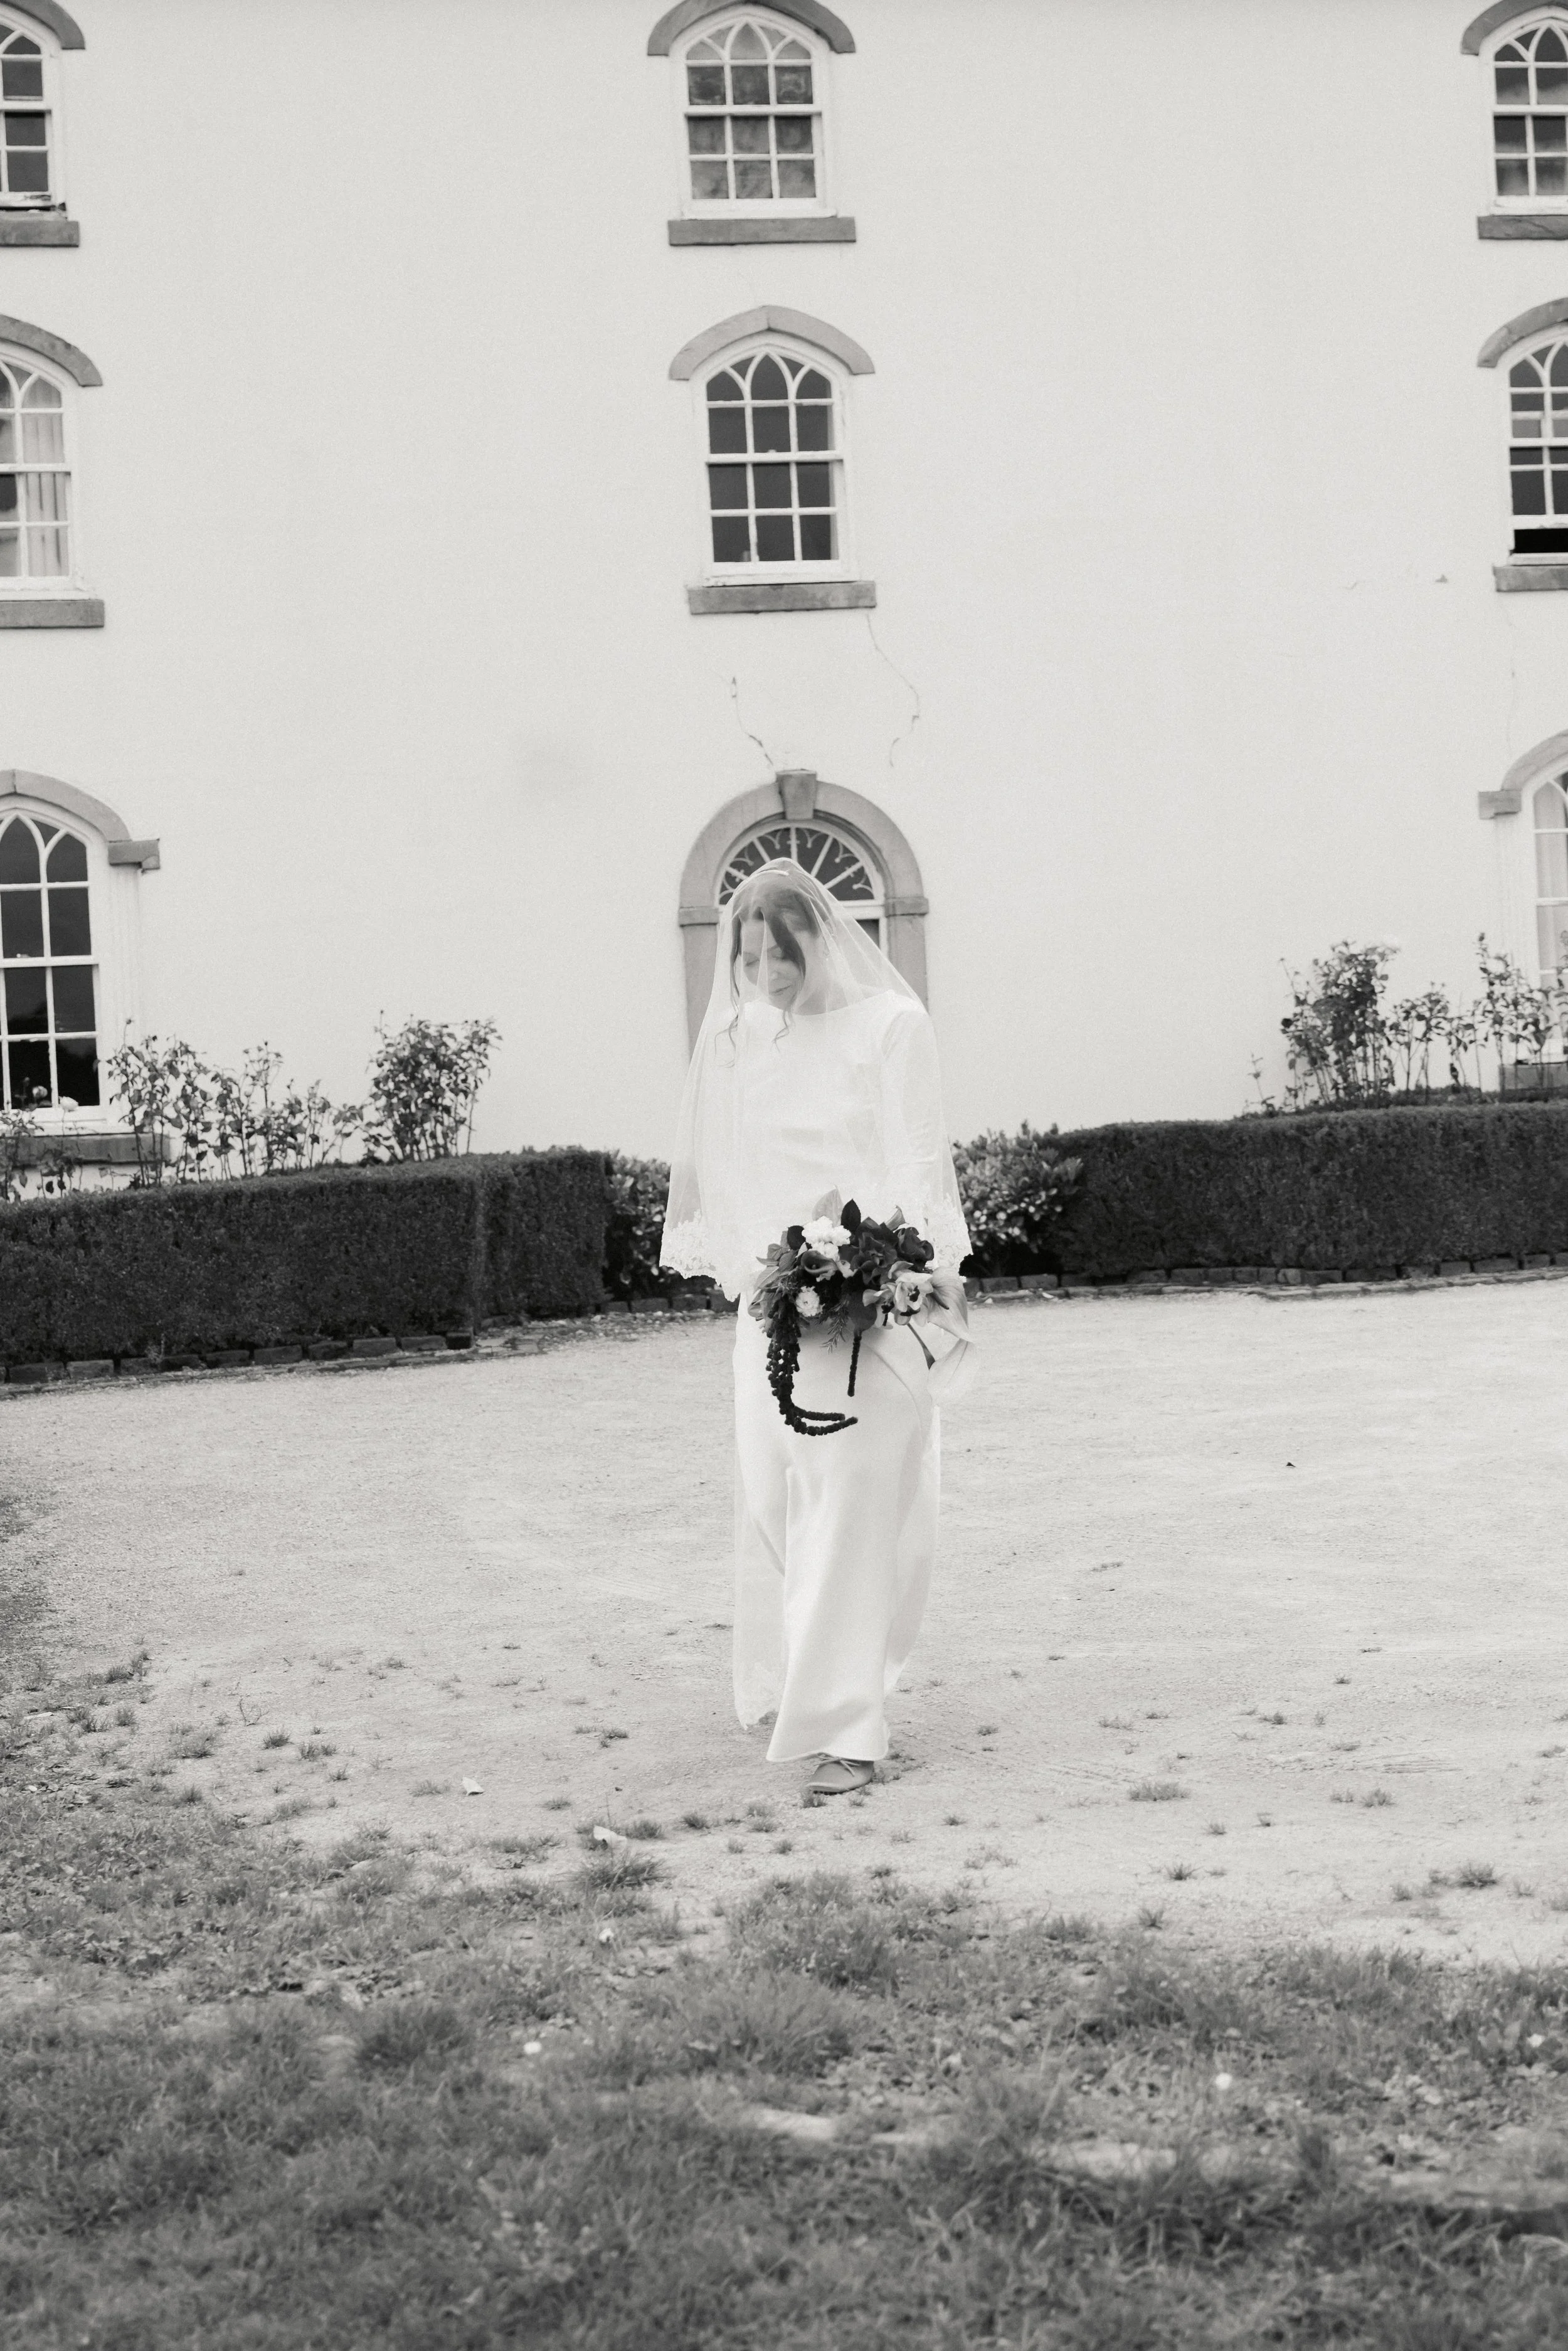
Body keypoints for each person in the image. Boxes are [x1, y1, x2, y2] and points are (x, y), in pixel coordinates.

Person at [661, 858, 973, 1796]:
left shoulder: (893, 1026)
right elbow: (726, 1166)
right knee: (775, 1506)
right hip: (772, 1308)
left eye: (780, 953)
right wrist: (759, 1273)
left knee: (848, 1514)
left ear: (820, 941)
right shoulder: (738, 1039)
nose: (763, 973)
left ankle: (848, 1730)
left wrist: (897, 1273)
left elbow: (916, 1162)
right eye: (747, 956)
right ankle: (819, 1680)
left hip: (869, 1306)